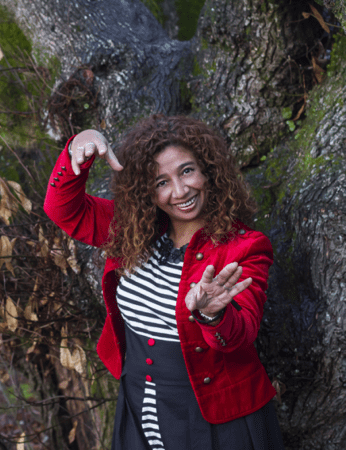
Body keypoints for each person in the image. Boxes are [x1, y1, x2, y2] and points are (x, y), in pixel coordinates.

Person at [44, 115, 285, 449]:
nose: (180, 190)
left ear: (208, 171)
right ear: (147, 191)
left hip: (215, 415)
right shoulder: (131, 229)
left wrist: (214, 315)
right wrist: (76, 148)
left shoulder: (244, 246)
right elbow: (63, 210)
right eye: (161, 182)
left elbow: (240, 334)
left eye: (187, 171)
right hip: (140, 403)